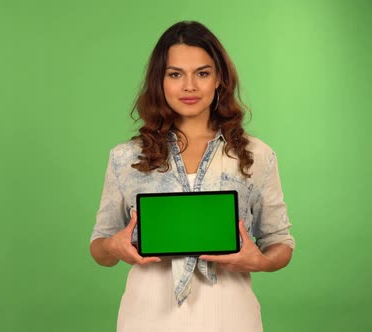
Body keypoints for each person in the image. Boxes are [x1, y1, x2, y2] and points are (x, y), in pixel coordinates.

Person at [89, 21, 295, 332]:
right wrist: (113, 248)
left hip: (231, 316)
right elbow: (99, 248)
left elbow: (280, 242)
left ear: (218, 79)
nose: (189, 86)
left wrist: (260, 261)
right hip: (146, 317)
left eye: (202, 73)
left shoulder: (256, 155)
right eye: (175, 74)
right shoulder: (126, 157)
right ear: (160, 81)